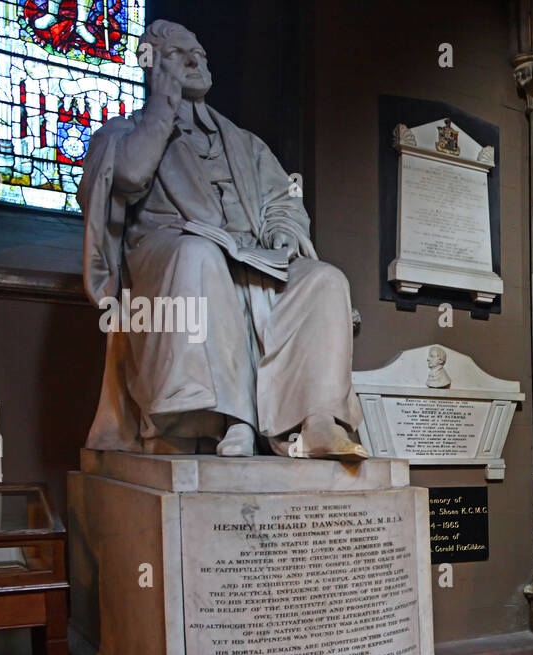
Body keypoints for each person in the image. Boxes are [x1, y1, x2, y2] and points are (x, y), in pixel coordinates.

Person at [78, 19, 365, 460]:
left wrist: (284, 231)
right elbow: (130, 176)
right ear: (151, 65)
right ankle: (225, 420)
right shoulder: (121, 133)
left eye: (200, 54)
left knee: (326, 280)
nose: (195, 59)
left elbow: (283, 199)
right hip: (171, 254)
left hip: (252, 257)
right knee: (199, 255)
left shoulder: (245, 144)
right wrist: (162, 104)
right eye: (178, 54)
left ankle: (318, 419)